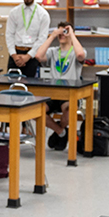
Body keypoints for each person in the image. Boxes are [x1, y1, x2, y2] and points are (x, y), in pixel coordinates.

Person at [35, 21, 86, 150]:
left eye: (64, 32)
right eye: (60, 32)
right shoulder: (53, 51)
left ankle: (60, 131)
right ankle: (61, 132)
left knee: (69, 112)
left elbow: (80, 55)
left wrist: (72, 35)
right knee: (35, 112)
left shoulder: (76, 51)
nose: (61, 35)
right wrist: (52, 36)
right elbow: (38, 56)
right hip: (52, 93)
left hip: (69, 94)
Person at [5, 0, 50, 77]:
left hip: (32, 56)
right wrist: (14, 55)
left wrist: (28, 56)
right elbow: (9, 34)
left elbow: (42, 38)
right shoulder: (14, 12)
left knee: (30, 86)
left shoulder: (43, 14)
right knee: (11, 86)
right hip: (15, 54)